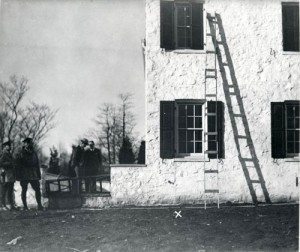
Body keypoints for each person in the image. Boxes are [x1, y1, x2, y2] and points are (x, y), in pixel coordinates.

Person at [16, 138, 43, 211]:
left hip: (33, 174)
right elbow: (18, 165)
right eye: (27, 143)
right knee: (24, 190)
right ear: (24, 144)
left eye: (30, 143)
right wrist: (18, 175)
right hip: (24, 174)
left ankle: (40, 205)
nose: (29, 144)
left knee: (37, 189)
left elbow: (37, 164)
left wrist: (38, 175)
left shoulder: (34, 152)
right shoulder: (21, 153)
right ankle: (25, 207)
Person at [0, 140, 17, 211]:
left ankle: (11, 205)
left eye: (10, 146)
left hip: (11, 174)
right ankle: (2, 205)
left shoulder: (10, 154)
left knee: (10, 190)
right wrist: (9, 164)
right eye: (8, 146)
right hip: (6, 174)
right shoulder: (4, 154)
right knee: (4, 190)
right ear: (5, 147)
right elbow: (0, 163)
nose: (9, 147)